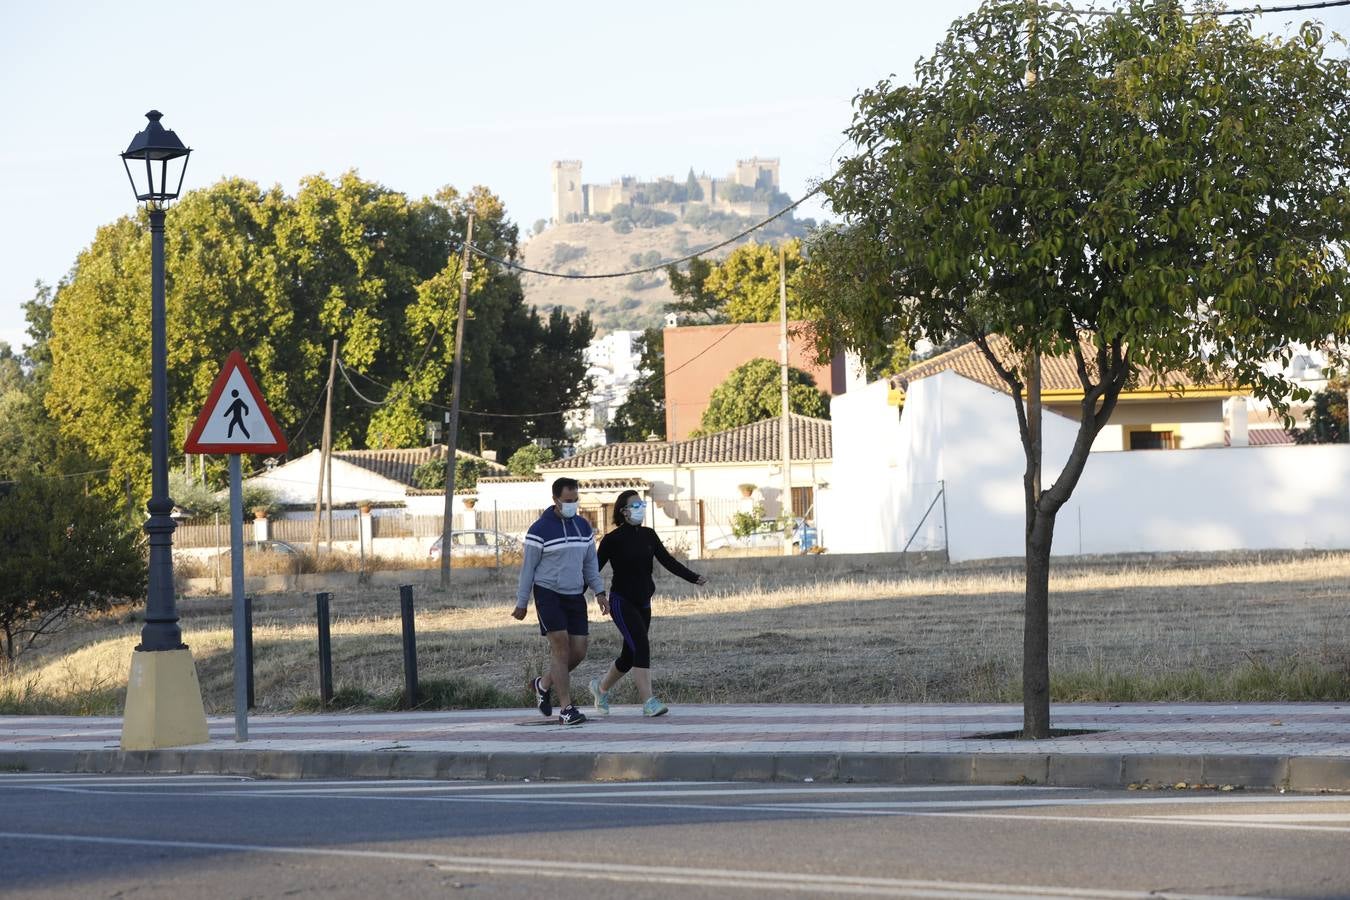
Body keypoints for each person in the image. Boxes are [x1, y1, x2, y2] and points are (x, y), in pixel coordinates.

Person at [589, 489, 707, 717]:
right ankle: (648, 702)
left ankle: (600, 688)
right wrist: (598, 593)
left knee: (630, 655)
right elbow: (593, 569)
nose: (640, 508)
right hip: (621, 601)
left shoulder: (649, 535)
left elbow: (668, 561)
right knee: (641, 644)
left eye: (641, 504)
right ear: (623, 511)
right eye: (635, 505)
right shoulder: (612, 540)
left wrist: (693, 577)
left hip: (644, 601)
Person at [511, 477, 606, 726]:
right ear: (555, 500)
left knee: (579, 651)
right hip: (548, 593)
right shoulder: (539, 530)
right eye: (567, 501)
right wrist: (522, 602)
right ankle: (567, 708)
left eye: (575, 500)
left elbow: (590, 565)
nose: (572, 504)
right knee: (561, 648)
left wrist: (600, 591)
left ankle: (542, 685)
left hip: (575, 594)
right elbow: (528, 569)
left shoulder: (584, 528)